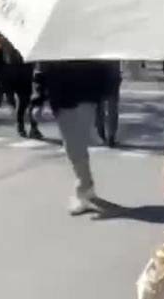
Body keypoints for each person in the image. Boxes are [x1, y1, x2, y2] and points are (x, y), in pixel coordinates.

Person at [42, 60, 113, 215]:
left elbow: (105, 64)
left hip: (83, 94)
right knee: (75, 145)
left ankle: (83, 188)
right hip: (66, 96)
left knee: (74, 146)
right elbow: (43, 70)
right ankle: (86, 187)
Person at [95, 61, 122, 147]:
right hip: (112, 75)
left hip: (98, 74)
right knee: (112, 107)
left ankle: (100, 134)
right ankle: (111, 136)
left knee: (99, 106)